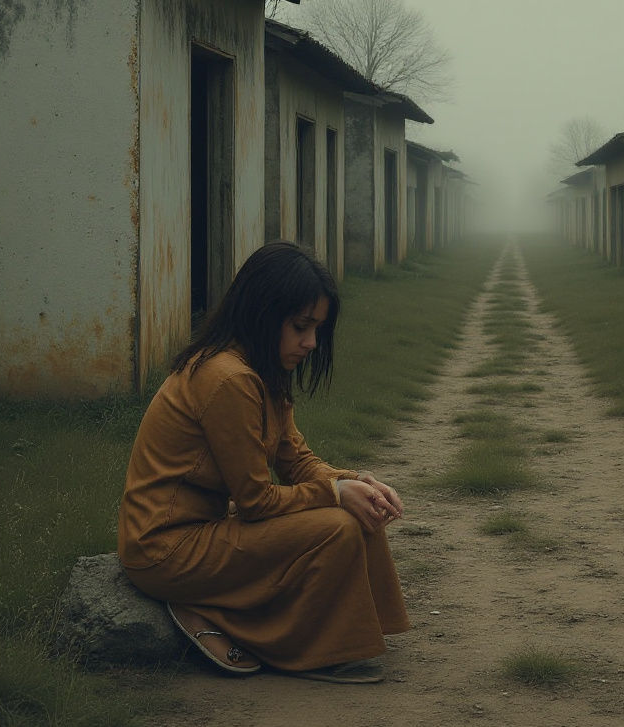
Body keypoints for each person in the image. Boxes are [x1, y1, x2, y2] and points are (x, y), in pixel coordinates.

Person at [117, 241, 410, 683]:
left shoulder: (263, 371)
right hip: (165, 550)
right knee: (337, 524)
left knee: (357, 509)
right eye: (300, 326)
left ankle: (341, 632)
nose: (310, 343)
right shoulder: (227, 378)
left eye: (316, 329)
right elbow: (255, 501)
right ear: (264, 312)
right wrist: (334, 493)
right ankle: (287, 639)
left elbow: (296, 460)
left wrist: (354, 482)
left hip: (207, 531)